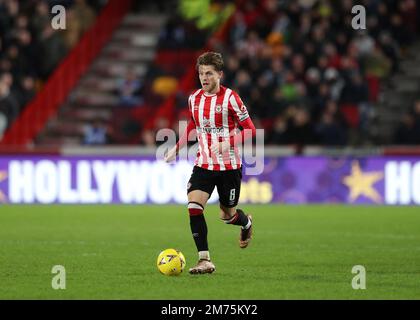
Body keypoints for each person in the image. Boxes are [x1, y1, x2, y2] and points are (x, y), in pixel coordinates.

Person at [164, 52, 256, 274]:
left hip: (229, 167)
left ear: (220, 75)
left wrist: (227, 144)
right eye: (201, 74)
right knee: (194, 207)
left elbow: (250, 130)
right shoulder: (194, 98)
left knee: (227, 215)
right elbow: (195, 126)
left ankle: (245, 224)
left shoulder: (231, 98)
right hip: (203, 164)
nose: (204, 78)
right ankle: (204, 260)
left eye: (209, 73)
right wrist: (177, 148)